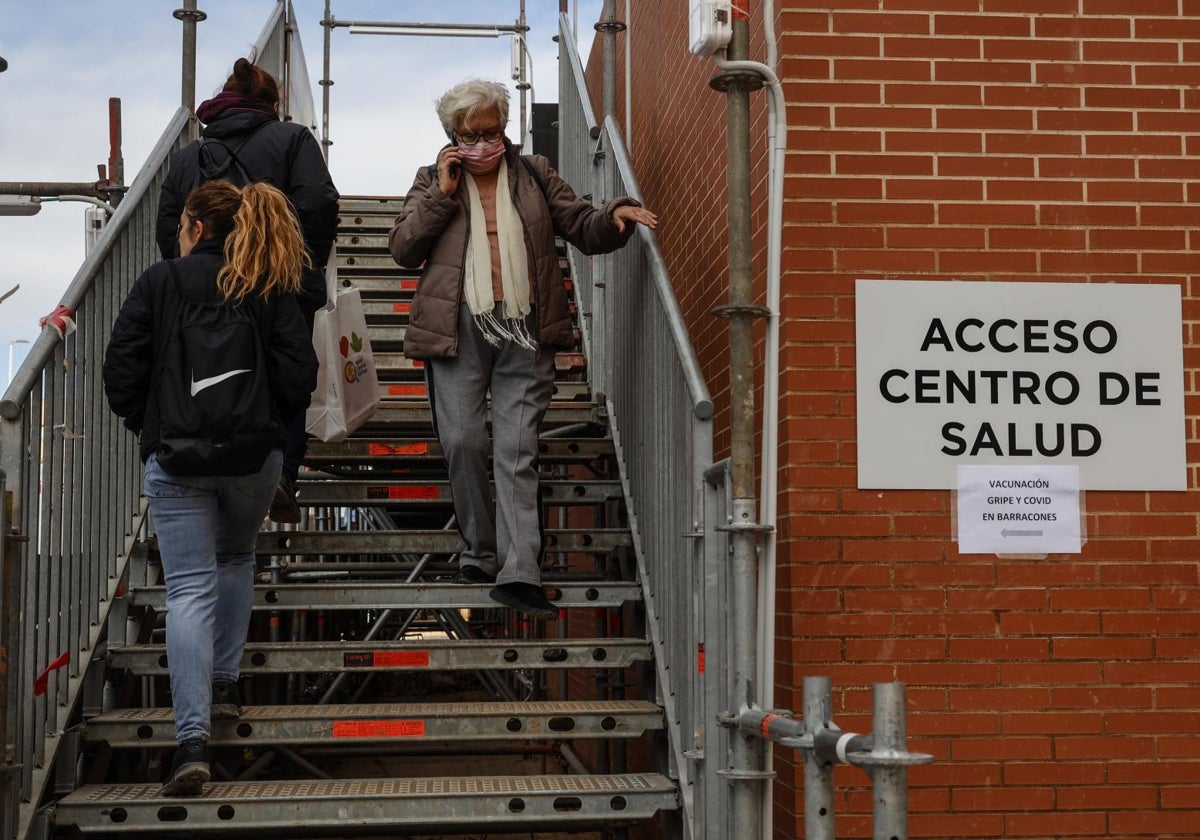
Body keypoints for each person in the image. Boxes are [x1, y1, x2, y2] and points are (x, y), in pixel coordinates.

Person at [388, 79, 658, 619]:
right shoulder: (430, 180)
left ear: (504, 128)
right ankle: (480, 550)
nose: (482, 143)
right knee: (464, 442)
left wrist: (615, 216)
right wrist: (442, 195)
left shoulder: (534, 173)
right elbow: (403, 249)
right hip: (458, 328)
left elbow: (581, 223)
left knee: (516, 451)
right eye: (469, 134)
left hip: (525, 327)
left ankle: (520, 570)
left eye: (490, 131)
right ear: (451, 137)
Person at [105, 180, 318, 796]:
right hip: (256, 459)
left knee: (188, 590)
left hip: (175, 460)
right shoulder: (268, 285)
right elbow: (298, 377)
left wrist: (152, 425)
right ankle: (225, 682)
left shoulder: (160, 282)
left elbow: (122, 369)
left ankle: (191, 742)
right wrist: (267, 428)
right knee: (235, 557)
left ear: (195, 225)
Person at [156, 57, 339, 524]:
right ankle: (279, 468)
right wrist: (302, 261)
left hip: (206, 288)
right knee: (285, 369)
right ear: (272, 103)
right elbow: (318, 202)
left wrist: (189, 272)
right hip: (281, 279)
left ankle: (208, 458)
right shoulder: (293, 139)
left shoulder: (190, 155)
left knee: (213, 369)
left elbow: (168, 222)